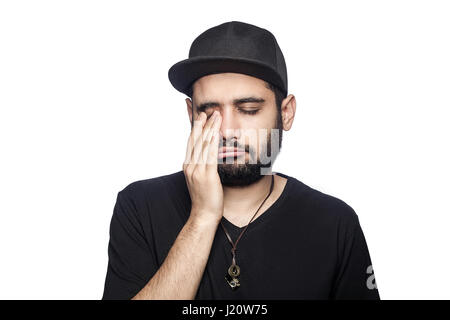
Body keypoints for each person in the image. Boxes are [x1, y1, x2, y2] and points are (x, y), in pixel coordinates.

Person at [102, 21, 380, 300]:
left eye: (248, 110)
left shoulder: (334, 223)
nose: (227, 131)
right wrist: (202, 217)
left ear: (286, 113)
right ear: (190, 114)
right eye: (209, 111)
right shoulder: (139, 208)